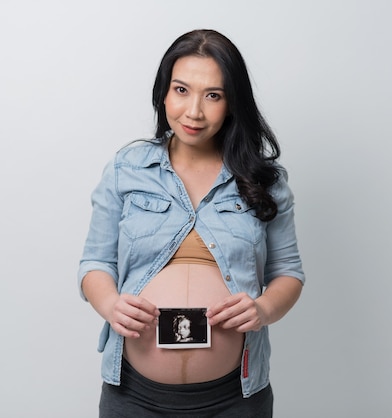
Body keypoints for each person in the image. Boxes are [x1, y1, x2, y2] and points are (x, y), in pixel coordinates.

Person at [78, 29, 305, 417]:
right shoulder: (126, 170)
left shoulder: (265, 180)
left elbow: (288, 272)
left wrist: (263, 310)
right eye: (181, 90)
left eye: (213, 95)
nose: (194, 111)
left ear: (232, 102)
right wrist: (111, 303)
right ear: (163, 93)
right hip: (134, 396)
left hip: (234, 399)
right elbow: (95, 263)